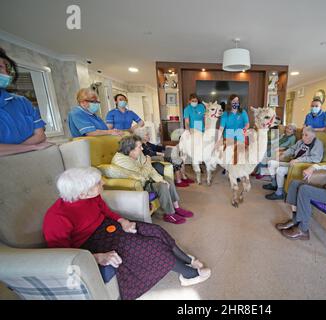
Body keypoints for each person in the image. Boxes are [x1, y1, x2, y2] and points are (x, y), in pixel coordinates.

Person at [43, 167, 211, 300]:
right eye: (97, 183)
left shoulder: (91, 197)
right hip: (90, 244)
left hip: (107, 227)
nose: (102, 183)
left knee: (155, 230)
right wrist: (98, 257)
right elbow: (64, 255)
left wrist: (122, 221)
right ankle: (189, 274)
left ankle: (187, 259)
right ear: (81, 193)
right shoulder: (57, 217)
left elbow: (107, 212)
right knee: (150, 247)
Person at [111, 135, 193, 224]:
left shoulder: (137, 153)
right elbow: (142, 174)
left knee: (167, 180)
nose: (142, 149)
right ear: (130, 149)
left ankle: (176, 207)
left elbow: (150, 170)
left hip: (146, 179)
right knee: (162, 185)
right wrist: (148, 163)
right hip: (138, 184)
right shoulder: (121, 161)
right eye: (139, 147)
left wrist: (160, 179)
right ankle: (169, 214)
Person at [0, 48, 50, 156]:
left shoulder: (22, 102)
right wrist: (31, 147)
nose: (5, 73)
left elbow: (40, 135)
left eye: (6, 69)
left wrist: (13, 150)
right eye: (0, 68)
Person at [264, 126, 324, 200]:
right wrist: (284, 154)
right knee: (271, 163)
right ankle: (274, 184)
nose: (303, 137)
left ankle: (279, 193)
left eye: (306, 135)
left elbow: (316, 158)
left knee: (280, 170)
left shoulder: (317, 144)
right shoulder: (301, 142)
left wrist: (298, 160)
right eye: (302, 134)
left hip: (299, 166)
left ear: (313, 136)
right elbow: (292, 149)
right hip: (292, 163)